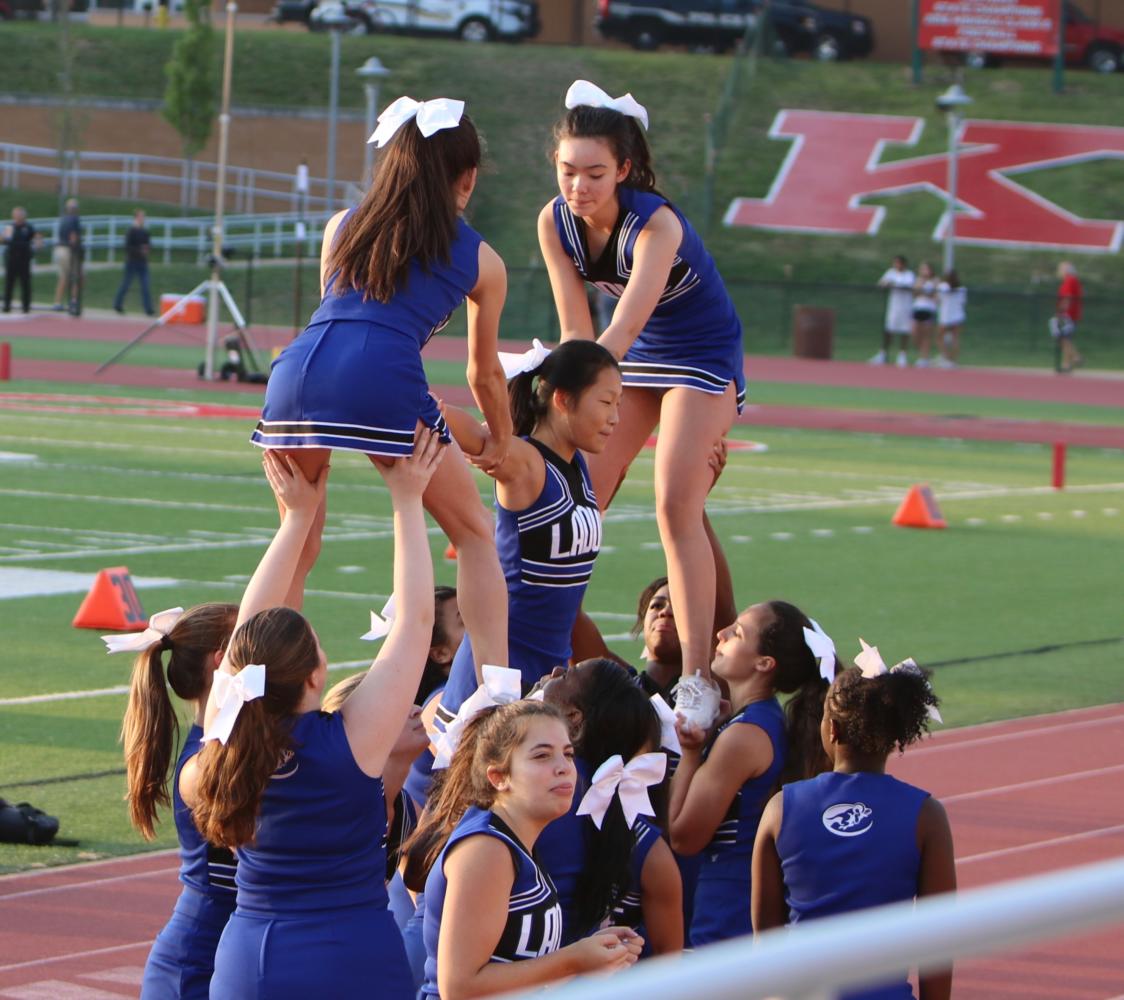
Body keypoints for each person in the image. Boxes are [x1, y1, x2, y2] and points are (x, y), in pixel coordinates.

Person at [250, 96, 510, 677]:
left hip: (296, 371)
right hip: (382, 376)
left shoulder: (340, 226)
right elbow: (483, 372)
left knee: (299, 540)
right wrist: (501, 439)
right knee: (473, 533)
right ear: (465, 180)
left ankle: (264, 685)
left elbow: (336, 314)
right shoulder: (480, 259)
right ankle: (495, 690)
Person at [181, 432, 444, 1000]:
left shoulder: (216, 754)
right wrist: (407, 497)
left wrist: (295, 522)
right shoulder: (354, 740)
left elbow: (243, 649)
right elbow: (417, 622)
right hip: (354, 957)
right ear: (315, 677)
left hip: (251, 960)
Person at [537, 80, 744, 729]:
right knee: (565, 501)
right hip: (634, 355)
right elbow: (577, 330)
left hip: (701, 354)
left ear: (624, 169)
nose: (580, 187)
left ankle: (698, 680)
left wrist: (577, 388)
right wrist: (543, 428)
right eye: (568, 171)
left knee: (674, 500)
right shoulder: (554, 222)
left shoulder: (656, 224)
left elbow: (617, 332)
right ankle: (547, 655)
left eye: (595, 173)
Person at [404, 700, 644, 999]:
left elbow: (517, 971)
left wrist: (590, 958)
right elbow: (459, 987)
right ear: (499, 777)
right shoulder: (486, 849)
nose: (563, 768)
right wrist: (574, 960)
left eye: (568, 754)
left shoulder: (514, 841)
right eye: (542, 755)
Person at [436, 339, 621, 718]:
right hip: (498, 666)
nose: (615, 418)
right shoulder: (526, 463)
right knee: (452, 776)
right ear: (563, 400)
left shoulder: (577, 465)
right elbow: (458, 427)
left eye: (617, 404)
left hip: (550, 675)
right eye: (606, 403)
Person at [752, 656, 956, 1000]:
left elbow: (764, 937)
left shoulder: (780, 810)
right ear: (895, 736)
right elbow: (939, 940)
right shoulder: (926, 817)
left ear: (831, 729)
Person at [668, 601, 836, 946]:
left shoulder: (743, 736)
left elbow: (684, 837)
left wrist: (690, 753)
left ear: (764, 663)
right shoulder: (760, 722)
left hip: (729, 909)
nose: (722, 633)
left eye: (738, 633)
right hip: (742, 900)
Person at [117, 603, 239, 999]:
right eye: (253, 643)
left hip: (225, 949)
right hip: (197, 963)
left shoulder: (232, 745)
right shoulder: (206, 764)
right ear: (224, 662)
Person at [542, 658, 683, 954]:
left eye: (567, 675)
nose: (554, 673)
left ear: (574, 717)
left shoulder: (531, 793)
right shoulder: (649, 847)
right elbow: (670, 970)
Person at [872, 255, 915, 368]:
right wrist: (886, 284)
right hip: (893, 307)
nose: (896, 265)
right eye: (895, 263)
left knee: (904, 331)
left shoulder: (909, 274)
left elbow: (909, 286)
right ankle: (883, 354)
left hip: (905, 307)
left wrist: (894, 284)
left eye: (899, 263)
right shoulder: (890, 272)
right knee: (889, 329)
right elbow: (881, 283)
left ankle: (902, 355)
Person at [113, 209, 155, 316]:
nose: (142, 219)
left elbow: (149, 244)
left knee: (145, 285)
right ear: (136, 218)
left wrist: (147, 249)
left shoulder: (145, 232)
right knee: (126, 283)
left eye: (143, 217)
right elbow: (127, 247)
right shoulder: (131, 231)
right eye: (141, 217)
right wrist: (139, 250)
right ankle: (117, 304)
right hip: (132, 261)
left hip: (142, 262)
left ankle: (148, 308)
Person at [2, 206, 41, 315]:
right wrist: (3, 237)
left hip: (24, 259)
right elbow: (4, 240)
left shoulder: (28, 227)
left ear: (24, 216)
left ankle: (26, 306)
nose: (18, 217)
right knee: (9, 283)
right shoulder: (10, 227)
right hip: (12, 258)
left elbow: (36, 236)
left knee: (25, 283)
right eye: (16, 214)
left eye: (20, 214)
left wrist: (38, 242)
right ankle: (6, 306)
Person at [1054, 261, 1085, 372]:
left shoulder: (1069, 280)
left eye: (1061, 269)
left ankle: (1076, 357)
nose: (1059, 271)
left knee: (1063, 338)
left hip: (1068, 314)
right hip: (1073, 314)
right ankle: (1066, 364)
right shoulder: (1073, 280)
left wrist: (1061, 312)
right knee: (1066, 339)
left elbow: (1067, 297)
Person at [53, 198, 82, 314]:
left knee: (63, 277)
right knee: (77, 276)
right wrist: (75, 247)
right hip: (68, 250)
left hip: (59, 249)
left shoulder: (63, 219)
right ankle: (73, 300)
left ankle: (57, 302)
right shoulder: (75, 219)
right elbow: (73, 236)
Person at [936, 269, 966, 369]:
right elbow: (962, 302)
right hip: (957, 315)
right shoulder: (961, 289)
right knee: (955, 339)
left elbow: (938, 300)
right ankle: (953, 360)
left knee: (940, 338)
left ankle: (946, 358)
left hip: (946, 316)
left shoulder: (942, 287)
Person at [910, 261, 938, 368]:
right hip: (918, 308)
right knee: (915, 333)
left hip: (929, 309)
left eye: (926, 269)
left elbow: (935, 296)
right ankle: (923, 354)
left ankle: (924, 357)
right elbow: (915, 293)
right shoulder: (918, 280)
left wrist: (927, 292)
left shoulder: (935, 281)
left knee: (926, 335)